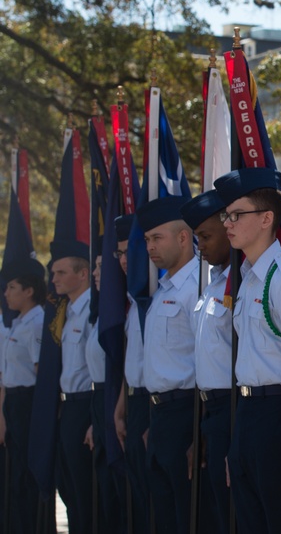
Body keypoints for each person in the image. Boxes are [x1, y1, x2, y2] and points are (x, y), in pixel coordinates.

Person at [214, 168, 281, 534]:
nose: (228, 224)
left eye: (237, 215)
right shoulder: (247, 277)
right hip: (248, 414)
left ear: (267, 218)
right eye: (226, 216)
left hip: (279, 415)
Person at [137, 195, 199, 534]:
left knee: (187, 513)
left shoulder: (199, 287)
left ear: (183, 237)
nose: (149, 246)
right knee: (162, 516)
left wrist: (195, 432)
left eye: (156, 238)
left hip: (186, 412)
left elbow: (206, 361)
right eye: (147, 239)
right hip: (159, 416)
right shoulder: (162, 290)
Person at [180, 190, 232, 534]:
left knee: (233, 512)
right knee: (214, 511)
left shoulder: (240, 282)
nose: (201, 245)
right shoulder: (212, 282)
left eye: (207, 236)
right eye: (197, 238)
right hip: (209, 410)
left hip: (234, 408)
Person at [50, 239, 94, 533]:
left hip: (86, 405)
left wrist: (94, 419)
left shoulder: (94, 310)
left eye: (61, 272)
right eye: (54, 273)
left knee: (85, 489)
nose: (54, 279)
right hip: (68, 406)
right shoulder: (67, 313)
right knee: (68, 488)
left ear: (83, 274)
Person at [0, 258, 46, 533]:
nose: (6, 293)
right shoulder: (19, 322)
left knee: (26, 476)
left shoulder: (37, 323)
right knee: (14, 477)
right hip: (13, 404)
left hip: (28, 403)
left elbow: (41, 374)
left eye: (12, 287)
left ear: (29, 290)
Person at [113, 214, 151, 534]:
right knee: (138, 495)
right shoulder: (130, 298)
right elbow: (133, 361)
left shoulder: (156, 295)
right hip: (135, 402)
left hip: (157, 406)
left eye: (130, 250)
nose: (124, 260)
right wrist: (121, 406)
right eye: (120, 253)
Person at [84, 254, 126, 534]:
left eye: (102, 266)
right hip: (99, 399)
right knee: (103, 486)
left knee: (121, 487)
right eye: (96, 267)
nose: (97, 273)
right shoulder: (99, 311)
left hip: (117, 396)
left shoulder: (123, 307)